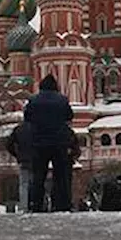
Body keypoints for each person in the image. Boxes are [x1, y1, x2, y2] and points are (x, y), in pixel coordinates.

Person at [23, 75, 74, 212]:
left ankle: (36, 204)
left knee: (38, 175)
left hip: (39, 143)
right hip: (59, 143)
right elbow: (69, 116)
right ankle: (62, 205)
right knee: (61, 176)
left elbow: (27, 117)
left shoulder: (33, 100)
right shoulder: (62, 100)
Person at [4, 121, 34, 212]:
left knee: (24, 184)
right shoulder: (38, 127)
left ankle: (24, 206)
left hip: (23, 160)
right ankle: (36, 204)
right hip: (37, 160)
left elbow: (9, 144)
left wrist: (17, 154)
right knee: (36, 183)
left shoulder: (19, 129)